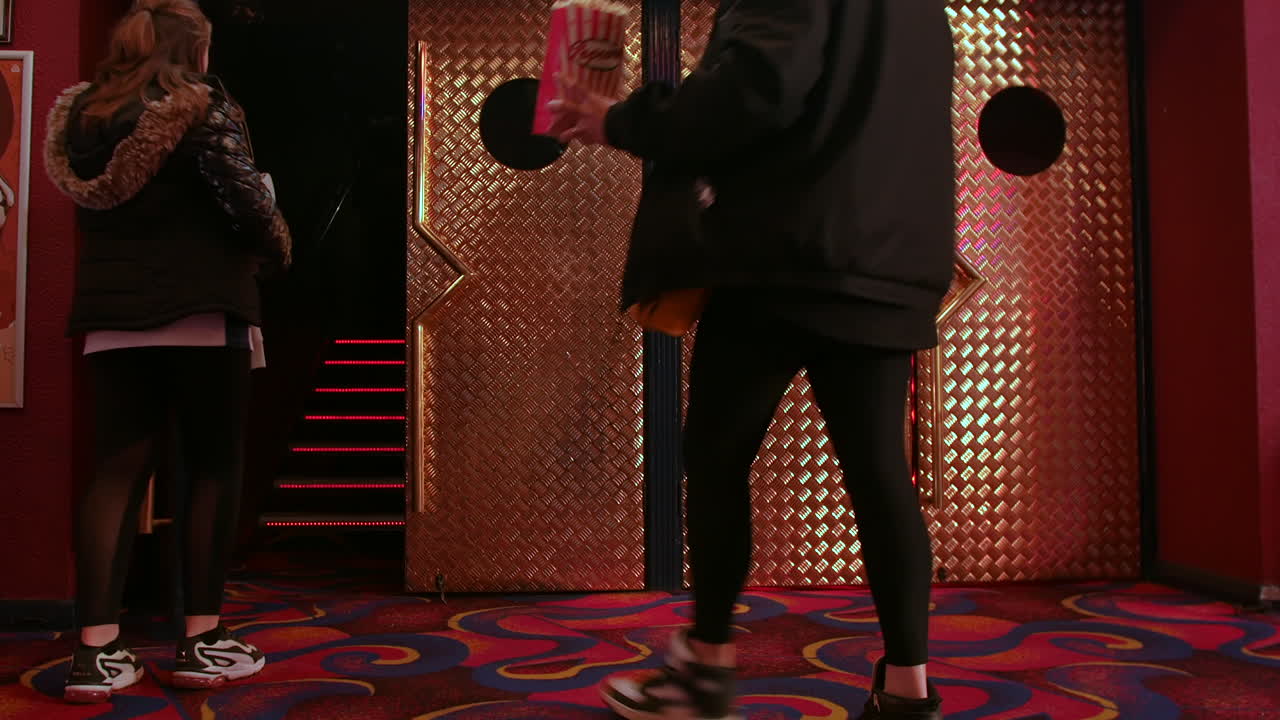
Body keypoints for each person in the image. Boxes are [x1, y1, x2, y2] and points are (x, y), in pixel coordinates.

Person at [549, 1, 955, 718]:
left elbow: (757, 89)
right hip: (887, 258)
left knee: (715, 456)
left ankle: (705, 670)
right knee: (881, 476)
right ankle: (907, 690)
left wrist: (621, 121)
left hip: (783, 255)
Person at [43, 0, 291, 704]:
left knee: (115, 472)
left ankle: (95, 651)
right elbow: (245, 201)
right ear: (199, 50)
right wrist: (277, 244)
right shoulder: (203, 103)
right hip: (203, 308)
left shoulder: (82, 115)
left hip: (111, 315)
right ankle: (201, 641)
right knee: (212, 465)